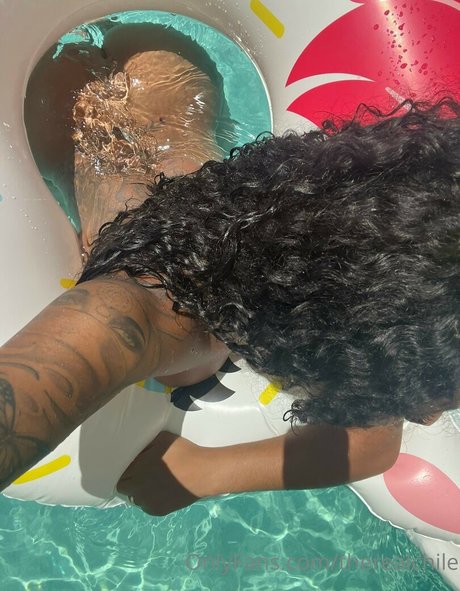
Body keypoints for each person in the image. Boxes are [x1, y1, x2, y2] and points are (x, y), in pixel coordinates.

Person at [2, 57, 459, 512]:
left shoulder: (359, 262)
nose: (428, 419)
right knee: (189, 367)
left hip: (172, 80)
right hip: (68, 103)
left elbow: (374, 441)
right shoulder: (153, 310)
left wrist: (206, 473)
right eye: (430, 403)